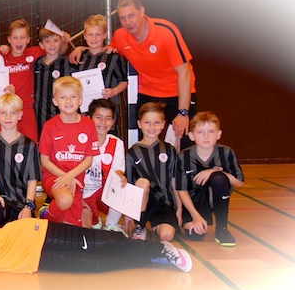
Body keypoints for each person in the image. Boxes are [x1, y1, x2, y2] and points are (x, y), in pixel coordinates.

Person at [0, 198, 192, 278]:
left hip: (36, 235)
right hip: (34, 261)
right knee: (95, 265)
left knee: (101, 242)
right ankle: (149, 257)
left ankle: (159, 250)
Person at [110, 0, 196, 148]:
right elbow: (105, 52)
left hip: (177, 92)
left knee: (185, 143)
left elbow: (185, 73)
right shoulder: (120, 36)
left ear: (142, 11)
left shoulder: (166, 32)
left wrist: (183, 112)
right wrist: (81, 49)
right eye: (123, 18)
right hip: (148, 92)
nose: (128, 22)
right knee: (146, 143)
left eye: (131, 15)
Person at [176, 111, 244, 246]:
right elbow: (181, 190)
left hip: (215, 198)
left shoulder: (226, 153)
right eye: (200, 132)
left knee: (218, 178)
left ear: (219, 134)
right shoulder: (183, 156)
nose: (206, 136)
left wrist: (214, 172)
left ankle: (222, 229)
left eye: (211, 132)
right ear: (191, 135)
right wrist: (195, 216)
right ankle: (194, 218)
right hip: (193, 202)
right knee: (195, 235)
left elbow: (239, 182)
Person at [38, 77, 99, 227]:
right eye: (63, 97)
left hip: (76, 178)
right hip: (54, 176)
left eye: (73, 96)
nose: (68, 101)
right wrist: (65, 177)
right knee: (65, 200)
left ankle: (52, 216)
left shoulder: (89, 125)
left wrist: (70, 176)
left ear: (80, 100)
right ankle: (46, 220)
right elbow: (45, 160)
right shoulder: (50, 126)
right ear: (55, 101)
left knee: (78, 228)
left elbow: (88, 159)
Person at [0, 93, 41, 226]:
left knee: (23, 230)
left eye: (13, 113)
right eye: (3, 113)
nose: (8, 117)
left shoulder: (29, 145)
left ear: (20, 115)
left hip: (22, 202)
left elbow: (32, 179)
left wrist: (28, 206)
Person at [126, 102, 181, 242]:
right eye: (147, 122)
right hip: (141, 203)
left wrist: (179, 209)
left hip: (163, 204)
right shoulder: (132, 153)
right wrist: (127, 214)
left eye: (156, 122)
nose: (152, 127)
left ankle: (155, 225)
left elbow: (175, 181)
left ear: (163, 124)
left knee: (167, 235)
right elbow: (129, 185)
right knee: (142, 182)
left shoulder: (170, 150)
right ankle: (141, 224)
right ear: (139, 124)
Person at [82, 99, 127, 233]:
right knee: (85, 229)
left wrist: (120, 177)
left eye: (108, 119)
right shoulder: (80, 140)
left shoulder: (116, 143)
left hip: (105, 193)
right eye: (98, 117)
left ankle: (111, 225)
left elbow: (118, 170)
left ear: (113, 122)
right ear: (88, 119)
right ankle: (94, 220)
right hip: (84, 194)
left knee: (122, 183)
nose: (103, 122)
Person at [77, 14, 128, 116]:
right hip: (84, 110)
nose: (94, 38)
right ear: (84, 36)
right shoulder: (80, 57)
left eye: (98, 34)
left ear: (105, 35)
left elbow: (124, 81)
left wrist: (114, 91)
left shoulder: (113, 57)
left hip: (107, 109)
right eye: (90, 34)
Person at [34, 27, 74, 139]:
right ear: (41, 45)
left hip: (61, 113)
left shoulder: (67, 62)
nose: (52, 44)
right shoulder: (37, 64)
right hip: (41, 114)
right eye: (47, 41)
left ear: (61, 42)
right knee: (44, 142)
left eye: (55, 40)